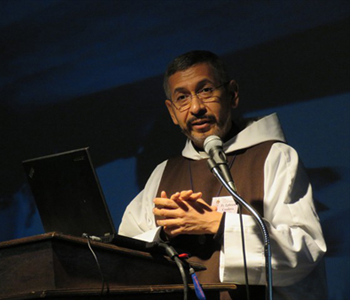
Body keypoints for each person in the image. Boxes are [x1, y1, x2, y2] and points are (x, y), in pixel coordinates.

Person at [118, 50, 327, 300]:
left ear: (232, 94)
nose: (196, 107)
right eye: (182, 98)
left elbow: (304, 251)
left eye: (205, 90)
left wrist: (217, 224)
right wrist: (164, 234)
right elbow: (124, 253)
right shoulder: (163, 173)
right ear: (172, 112)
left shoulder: (274, 156)